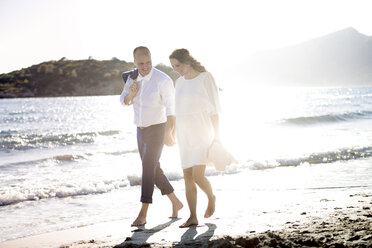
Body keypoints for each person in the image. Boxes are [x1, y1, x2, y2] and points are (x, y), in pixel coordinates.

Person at [120, 46, 183, 226]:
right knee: (154, 169)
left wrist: (170, 132)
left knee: (147, 168)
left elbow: (171, 108)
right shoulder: (131, 77)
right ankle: (176, 202)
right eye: (141, 63)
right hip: (140, 130)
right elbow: (124, 100)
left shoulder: (162, 80)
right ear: (134, 62)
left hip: (158, 128)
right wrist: (130, 95)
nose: (145, 66)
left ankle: (143, 213)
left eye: (148, 62)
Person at [169, 48, 221, 228]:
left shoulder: (206, 78)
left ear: (187, 62)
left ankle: (211, 197)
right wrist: (172, 131)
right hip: (184, 135)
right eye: (173, 66)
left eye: (177, 65)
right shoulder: (179, 82)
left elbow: (215, 110)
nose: (176, 69)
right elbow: (177, 110)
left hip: (202, 132)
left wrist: (217, 137)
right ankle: (192, 217)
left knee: (198, 176)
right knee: (187, 177)